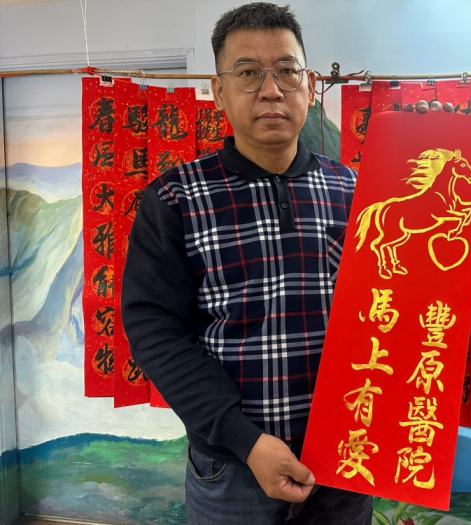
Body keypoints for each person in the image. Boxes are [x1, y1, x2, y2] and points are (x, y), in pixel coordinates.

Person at [121, 3, 373, 524]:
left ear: (310, 85)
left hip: (343, 461)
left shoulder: (355, 192)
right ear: (219, 90)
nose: (271, 90)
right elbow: (155, 332)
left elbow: (393, 308)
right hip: (232, 468)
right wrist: (246, 441)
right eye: (248, 73)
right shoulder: (175, 198)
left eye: (287, 71)